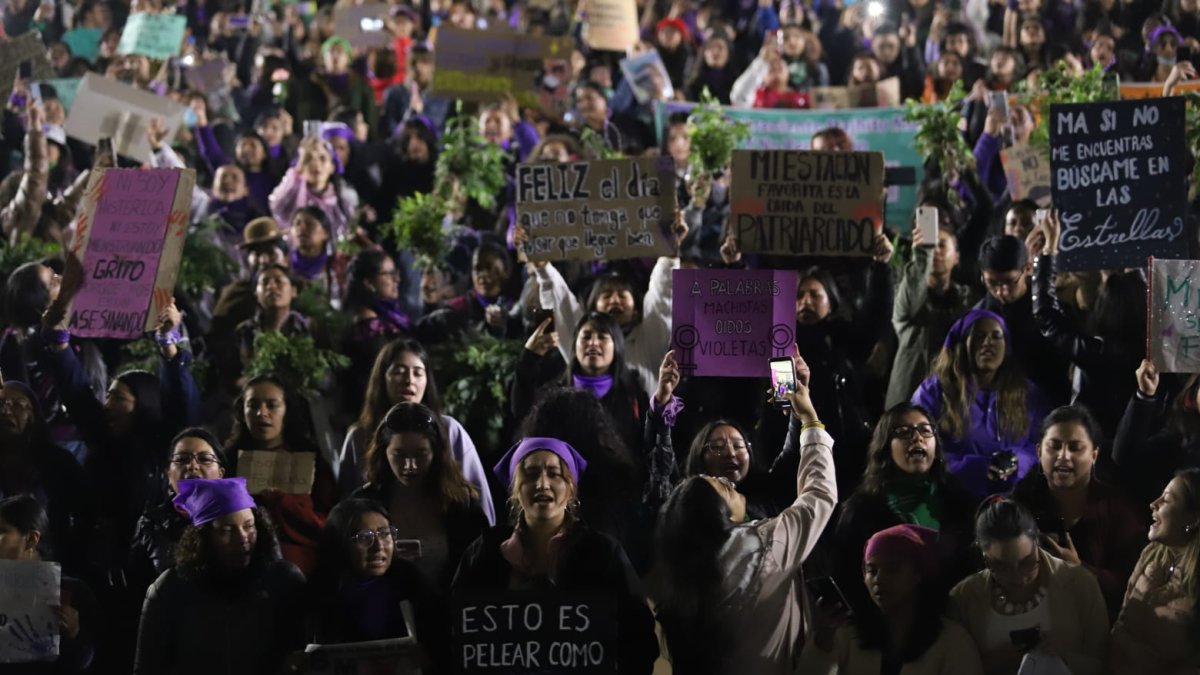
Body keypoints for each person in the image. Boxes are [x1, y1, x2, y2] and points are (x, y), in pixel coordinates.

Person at [651, 354, 836, 675]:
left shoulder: (681, 558)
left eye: (739, 445)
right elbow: (818, 493)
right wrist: (809, 415)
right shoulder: (762, 546)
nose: (730, 455)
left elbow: (792, 454)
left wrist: (785, 381)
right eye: (717, 448)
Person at [452, 436, 660, 674]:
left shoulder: (602, 554)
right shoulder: (485, 552)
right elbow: (459, 629)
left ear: (571, 488)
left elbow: (639, 637)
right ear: (515, 488)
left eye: (554, 474)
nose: (542, 484)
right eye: (530, 474)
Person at [132, 478, 306, 675]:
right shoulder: (169, 590)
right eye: (228, 530)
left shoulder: (285, 581)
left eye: (249, 526)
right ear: (203, 537)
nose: (242, 538)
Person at [833, 402, 979, 615]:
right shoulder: (862, 509)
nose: (917, 437)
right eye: (903, 432)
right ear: (885, 446)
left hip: (952, 620)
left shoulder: (958, 499)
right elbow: (846, 579)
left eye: (925, 430)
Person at [336, 339, 494, 523]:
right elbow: (345, 509)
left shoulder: (449, 430)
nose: (409, 380)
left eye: (418, 373)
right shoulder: (359, 436)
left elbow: (478, 499)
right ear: (382, 377)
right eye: (399, 372)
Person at [949, 497, 1109, 675]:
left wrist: (1064, 657)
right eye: (1001, 567)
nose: (1018, 578)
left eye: (1027, 562)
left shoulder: (1080, 584)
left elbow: (1104, 664)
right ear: (984, 555)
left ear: (1037, 541)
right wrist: (990, 664)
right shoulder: (965, 598)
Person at [1011, 405, 1145, 616]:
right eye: (1054, 446)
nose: (1063, 456)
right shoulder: (1019, 505)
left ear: (1094, 455)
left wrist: (1078, 570)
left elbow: (1131, 585)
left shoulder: (1119, 511)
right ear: (1038, 452)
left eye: (1075, 448)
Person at [802, 524, 984, 675]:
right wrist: (822, 643)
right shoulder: (845, 633)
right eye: (872, 571)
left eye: (892, 569)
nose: (878, 579)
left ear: (918, 575)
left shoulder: (951, 641)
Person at [351, 402, 487, 590]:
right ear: (384, 452)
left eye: (420, 454)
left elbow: (482, 570)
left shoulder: (460, 504)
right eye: (399, 455)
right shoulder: (364, 503)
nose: (410, 466)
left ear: (436, 453)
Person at [912, 309, 1049, 497]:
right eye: (979, 336)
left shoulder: (1027, 393)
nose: (987, 343)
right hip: (951, 497)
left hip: (1014, 501)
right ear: (962, 344)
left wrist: (1018, 461)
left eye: (996, 336)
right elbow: (918, 447)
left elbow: (1042, 442)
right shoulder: (934, 391)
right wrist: (971, 467)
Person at [305, 498, 445, 667]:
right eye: (364, 537)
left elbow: (441, 640)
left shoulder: (410, 582)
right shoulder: (318, 593)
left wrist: (429, 657)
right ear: (340, 543)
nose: (378, 547)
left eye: (385, 534)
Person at [226, 375, 335, 576]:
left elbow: (330, 523)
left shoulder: (312, 462)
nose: (262, 413)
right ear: (243, 411)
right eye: (253, 405)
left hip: (304, 572)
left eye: (272, 405)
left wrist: (282, 502)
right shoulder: (229, 462)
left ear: (287, 410)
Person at [514, 311, 649, 457]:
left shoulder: (633, 395)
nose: (593, 343)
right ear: (574, 346)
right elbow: (523, 411)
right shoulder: (555, 394)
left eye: (602, 337)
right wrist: (529, 357)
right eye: (586, 337)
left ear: (617, 345)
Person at [1111, 469, 1200, 674]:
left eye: (1167, 500)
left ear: (1193, 519)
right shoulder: (1151, 554)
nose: (1154, 503)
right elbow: (1121, 624)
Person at [0, 494, 98, 675]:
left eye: (2, 531)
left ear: (31, 539)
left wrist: (74, 633)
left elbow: (89, 661)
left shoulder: (73, 592)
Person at [887, 217, 976, 408]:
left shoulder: (969, 302)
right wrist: (921, 256)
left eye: (942, 245)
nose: (935, 250)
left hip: (952, 404)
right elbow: (910, 299)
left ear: (957, 256)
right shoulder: (908, 298)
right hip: (908, 402)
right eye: (930, 245)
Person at [129, 428, 228, 584]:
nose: (192, 466)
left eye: (204, 459)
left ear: (220, 474)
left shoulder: (242, 518)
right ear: (169, 474)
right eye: (182, 459)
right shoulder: (150, 524)